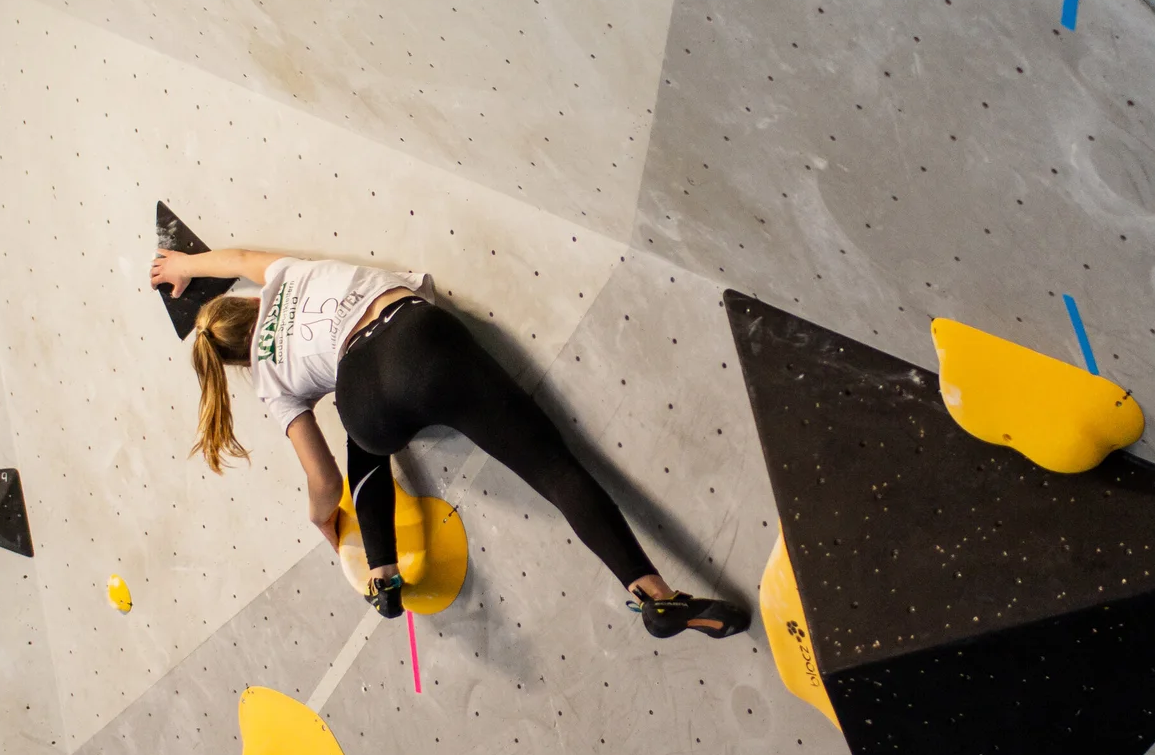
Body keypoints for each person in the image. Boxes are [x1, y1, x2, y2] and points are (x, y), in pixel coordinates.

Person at [151, 246, 748, 639]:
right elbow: (242, 256)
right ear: (244, 300)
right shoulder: (283, 275)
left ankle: (383, 575)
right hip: (416, 341)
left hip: (362, 395)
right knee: (553, 468)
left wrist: (322, 521)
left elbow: (325, 482)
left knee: (364, 441)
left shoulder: (268, 381)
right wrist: (189, 264)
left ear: (233, 359)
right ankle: (654, 595)